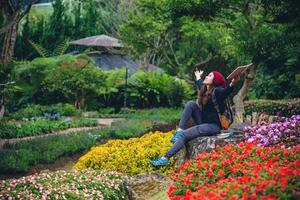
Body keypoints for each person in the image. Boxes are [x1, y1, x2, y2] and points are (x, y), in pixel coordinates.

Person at [150, 70, 240, 166]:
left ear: (215, 81)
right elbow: (200, 84)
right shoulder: (205, 90)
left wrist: (233, 82)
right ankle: (179, 130)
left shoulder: (217, 91)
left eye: (209, 76)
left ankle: (165, 158)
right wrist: (197, 76)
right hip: (203, 122)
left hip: (213, 126)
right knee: (191, 104)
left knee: (184, 136)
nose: (206, 76)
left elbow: (226, 92)